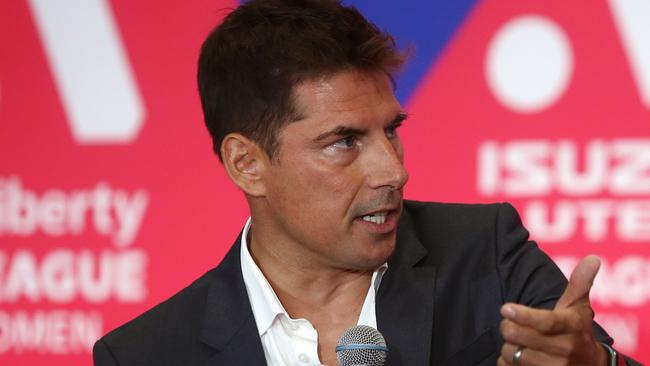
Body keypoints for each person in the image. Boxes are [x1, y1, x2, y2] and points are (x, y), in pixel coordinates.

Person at [93, 1, 641, 365]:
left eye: (392, 131)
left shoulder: (486, 253)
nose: (392, 170)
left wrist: (599, 363)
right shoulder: (147, 353)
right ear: (246, 163)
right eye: (344, 142)